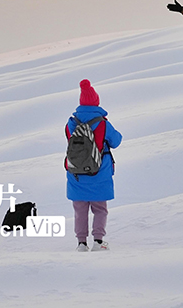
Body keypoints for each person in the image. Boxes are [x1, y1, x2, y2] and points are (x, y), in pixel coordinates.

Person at [65, 79, 122, 252]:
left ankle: (81, 243)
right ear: (96, 102)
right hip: (100, 171)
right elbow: (116, 141)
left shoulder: (71, 123)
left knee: (80, 209)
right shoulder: (103, 123)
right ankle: (98, 241)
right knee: (99, 209)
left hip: (76, 173)